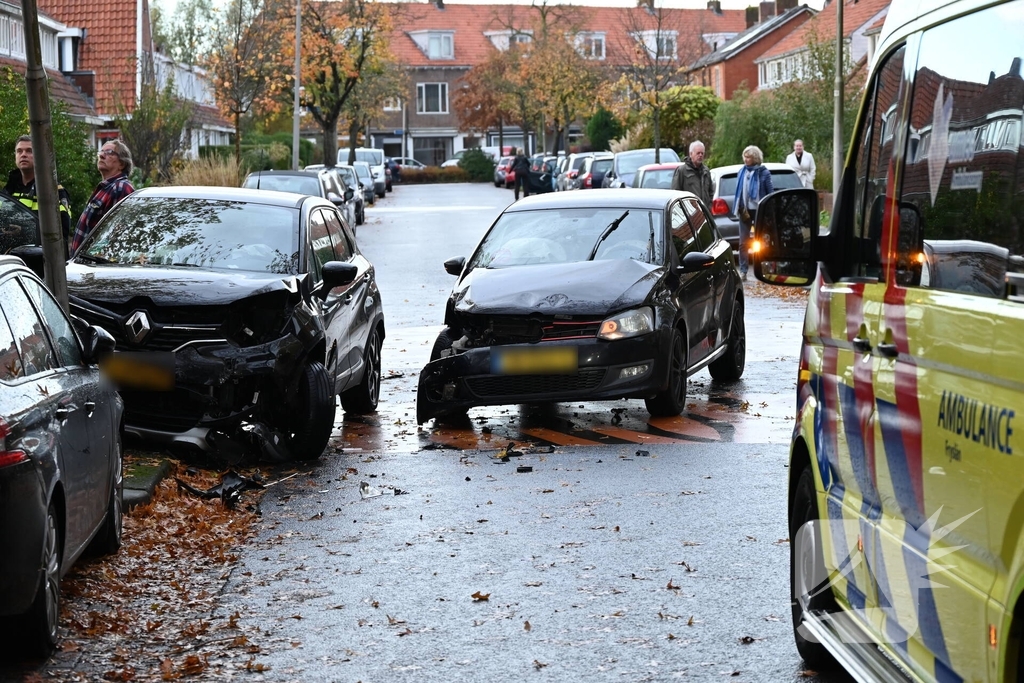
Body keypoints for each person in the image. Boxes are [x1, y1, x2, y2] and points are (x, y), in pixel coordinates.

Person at [5, 134, 73, 255]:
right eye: (19, 151)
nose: (23, 154)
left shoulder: (54, 190)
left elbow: (61, 231)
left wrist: (24, 231)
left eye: (29, 151)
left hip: (44, 262)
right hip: (12, 260)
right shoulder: (8, 190)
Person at [70, 139, 135, 255]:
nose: (101, 155)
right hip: (84, 264)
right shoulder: (106, 188)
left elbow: (116, 236)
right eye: (101, 152)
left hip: (95, 265)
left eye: (109, 152)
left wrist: (94, 259)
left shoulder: (120, 188)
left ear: (122, 164)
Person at [733, 145, 774, 280]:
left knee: (761, 241)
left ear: (755, 158)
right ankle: (743, 271)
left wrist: (769, 211)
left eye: (749, 156)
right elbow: (738, 192)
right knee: (743, 242)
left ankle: (764, 268)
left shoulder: (764, 173)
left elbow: (770, 193)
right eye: (745, 156)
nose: (746, 159)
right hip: (744, 210)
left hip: (759, 210)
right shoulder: (741, 172)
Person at [670, 140, 713, 206]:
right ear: (691, 154)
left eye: (702, 153)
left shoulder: (706, 171)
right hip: (688, 213)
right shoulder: (682, 171)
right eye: (698, 153)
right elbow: (675, 193)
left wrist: (709, 207)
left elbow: (710, 191)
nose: (700, 155)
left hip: (704, 213)